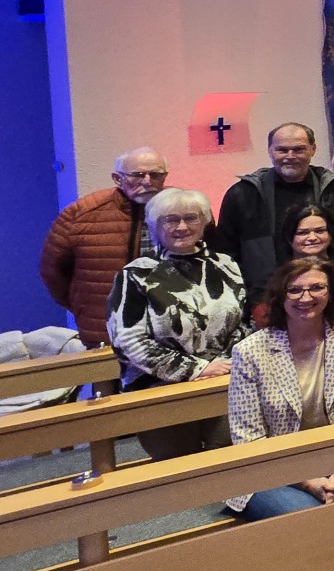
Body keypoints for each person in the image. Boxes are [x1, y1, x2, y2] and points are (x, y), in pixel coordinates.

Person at [224, 258, 334, 518]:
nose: (306, 297)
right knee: (311, 517)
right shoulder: (249, 352)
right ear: (280, 296)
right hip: (275, 462)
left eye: (317, 288)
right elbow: (249, 439)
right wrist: (309, 483)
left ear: (331, 292)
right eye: (294, 290)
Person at [105, 187, 247, 458]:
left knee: (230, 460)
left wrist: (225, 365)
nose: (182, 227)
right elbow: (127, 340)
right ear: (154, 226)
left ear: (204, 222)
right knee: (179, 468)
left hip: (223, 383)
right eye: (170, 220)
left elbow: (241, 322)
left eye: (191, 218)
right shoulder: (136, 274)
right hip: (160, 389)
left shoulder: (226, 265)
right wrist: (196, 369)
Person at [39, 146, 169, 346]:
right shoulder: (81, 214)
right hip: (106, 331)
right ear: (118, 178)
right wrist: (83, 308)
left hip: (170, 329)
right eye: (137, 175)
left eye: (155, 174)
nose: (147, 181)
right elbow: (52, 271)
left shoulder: (183, 209)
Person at [212, 122, 334, 300]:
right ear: (270, 151)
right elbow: (225, 255)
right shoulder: (242, 194)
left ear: (313, 149)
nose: (290, 156)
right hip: (264, 297)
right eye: (282, 150)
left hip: (329, 294)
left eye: (299, 149)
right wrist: (249, 298)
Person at [265, 203, 334, 326]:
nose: (312, 237)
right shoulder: (277, 274)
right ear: (288, 237)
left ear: (331, 234)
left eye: (320, 231)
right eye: (302, 233)